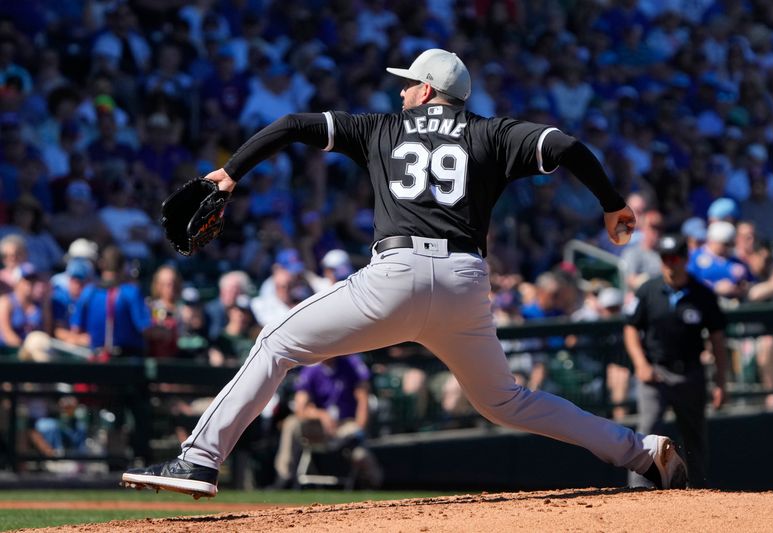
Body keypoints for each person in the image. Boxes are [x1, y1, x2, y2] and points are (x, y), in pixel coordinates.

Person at [122, 48, 686, 498]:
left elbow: (295, 124)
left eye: (407, 81)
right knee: (504, 401)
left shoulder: (383, 128)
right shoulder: (491, 133)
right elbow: (564, 145)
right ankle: (640, 451)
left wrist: (229, 173)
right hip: (466, 282)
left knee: (276, 342)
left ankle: (198, 459)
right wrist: (611, 202)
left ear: (425, 90)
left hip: (394, 277)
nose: (400, 89)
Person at [624, 235, 728, 488]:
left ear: (685, 259)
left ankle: (699, 490)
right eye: (665, 258)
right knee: (646, 433)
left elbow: (717, 338)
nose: (670, 263)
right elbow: (630, 329)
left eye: (675, 258)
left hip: (690, 372)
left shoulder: (702, 294)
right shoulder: (648, 290)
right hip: (655, 371)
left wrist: (721, 382)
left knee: (694, 436)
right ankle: (639, 490)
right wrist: (641, 364)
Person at [271, 354, 382, 489]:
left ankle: (374, 483)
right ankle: (284, 477)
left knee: (361, 455)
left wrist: (360, 429)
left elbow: (363, 399)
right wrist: (321, 415)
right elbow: (300, 409)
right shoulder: (312, 367)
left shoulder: (351, 364)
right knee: (291, 423)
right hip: (319, 427)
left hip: (345, 425)